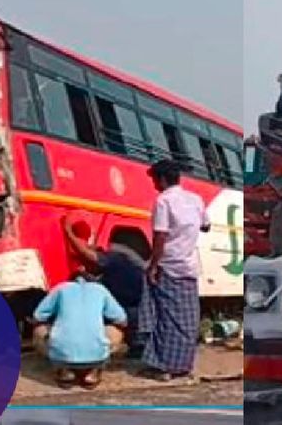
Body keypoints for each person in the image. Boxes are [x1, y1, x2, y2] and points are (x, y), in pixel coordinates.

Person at [138, 159, 211, 381]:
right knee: (187, 319)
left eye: (154, 180)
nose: (154, 185)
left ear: (161, 179)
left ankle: (164, 365)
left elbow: (160, 235)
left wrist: (153, 266)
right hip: (188, 267)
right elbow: (206, 226)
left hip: (168, 266)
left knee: (164, 317)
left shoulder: (163, 201)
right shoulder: (196, 199)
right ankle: (183, 365)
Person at [32, 254, 127, 390]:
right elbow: (122, 319)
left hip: (61, 354)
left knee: (38, 330)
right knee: (116, 330)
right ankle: (93, 371)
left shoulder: (61, 288)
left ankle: (64, 371)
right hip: (96, 355)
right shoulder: (100, 290)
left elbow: (37, 316)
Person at [60, 214, 146, 357]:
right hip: (134, 300)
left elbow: (89, 256)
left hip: (133, 303)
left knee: (128, 320)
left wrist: (68, 232)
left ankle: (138, 346)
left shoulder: (112, 258)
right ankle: (136, 347)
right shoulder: (119, 262)